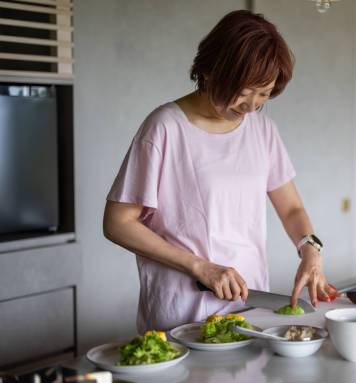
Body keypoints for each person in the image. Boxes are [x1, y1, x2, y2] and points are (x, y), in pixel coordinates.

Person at [103, 10, 332, 333]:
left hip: (250, 310)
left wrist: (310, 249)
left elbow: (292, 208)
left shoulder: (262, 130)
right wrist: (201, 268)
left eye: (264, 94)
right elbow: (117, 223)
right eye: (246, 90)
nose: (252, 105)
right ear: (212, 71)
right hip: (183, 312)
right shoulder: (165, 128)